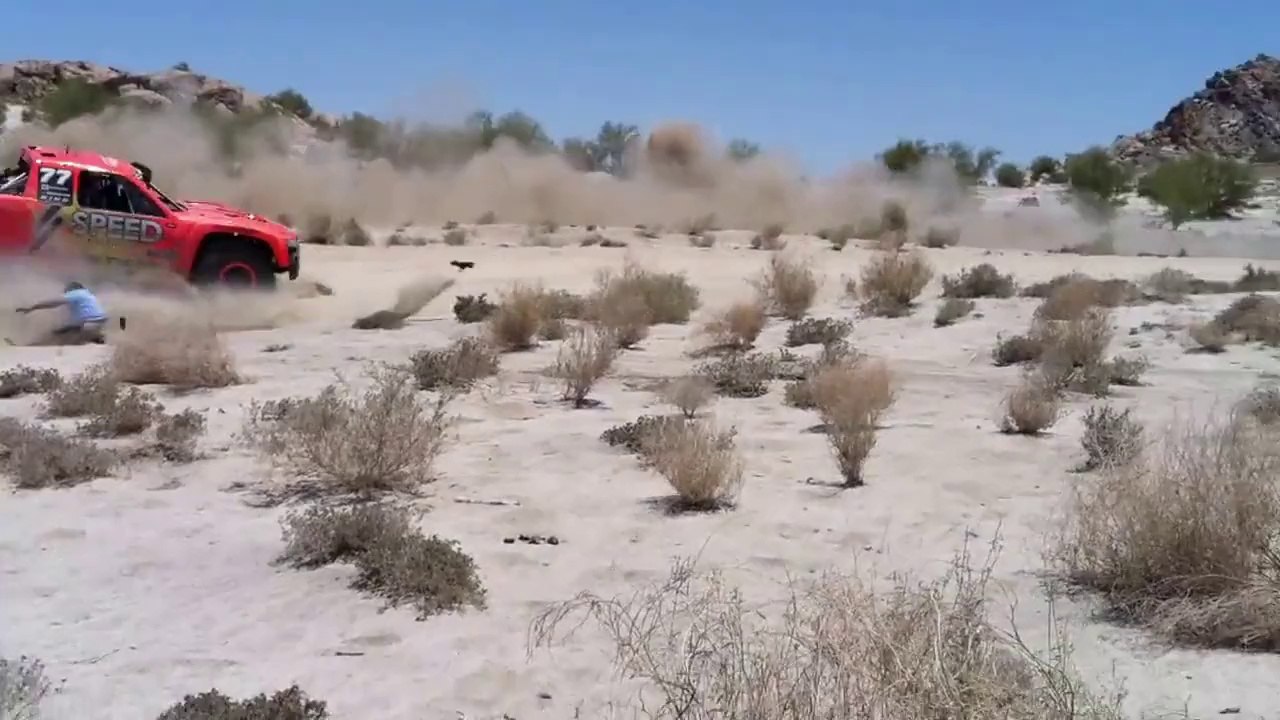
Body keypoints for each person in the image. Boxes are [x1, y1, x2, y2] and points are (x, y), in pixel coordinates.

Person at [15, 281, 112, 345]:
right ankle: (97, 339)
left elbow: (53, 303)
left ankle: (31, 346)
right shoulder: (88, 295)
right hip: (99, 323)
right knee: (70, 332)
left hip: (89, 324)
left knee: (55, 336)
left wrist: (32, 308)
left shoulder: (76, 293)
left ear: (71, 290)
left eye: (66, 292)